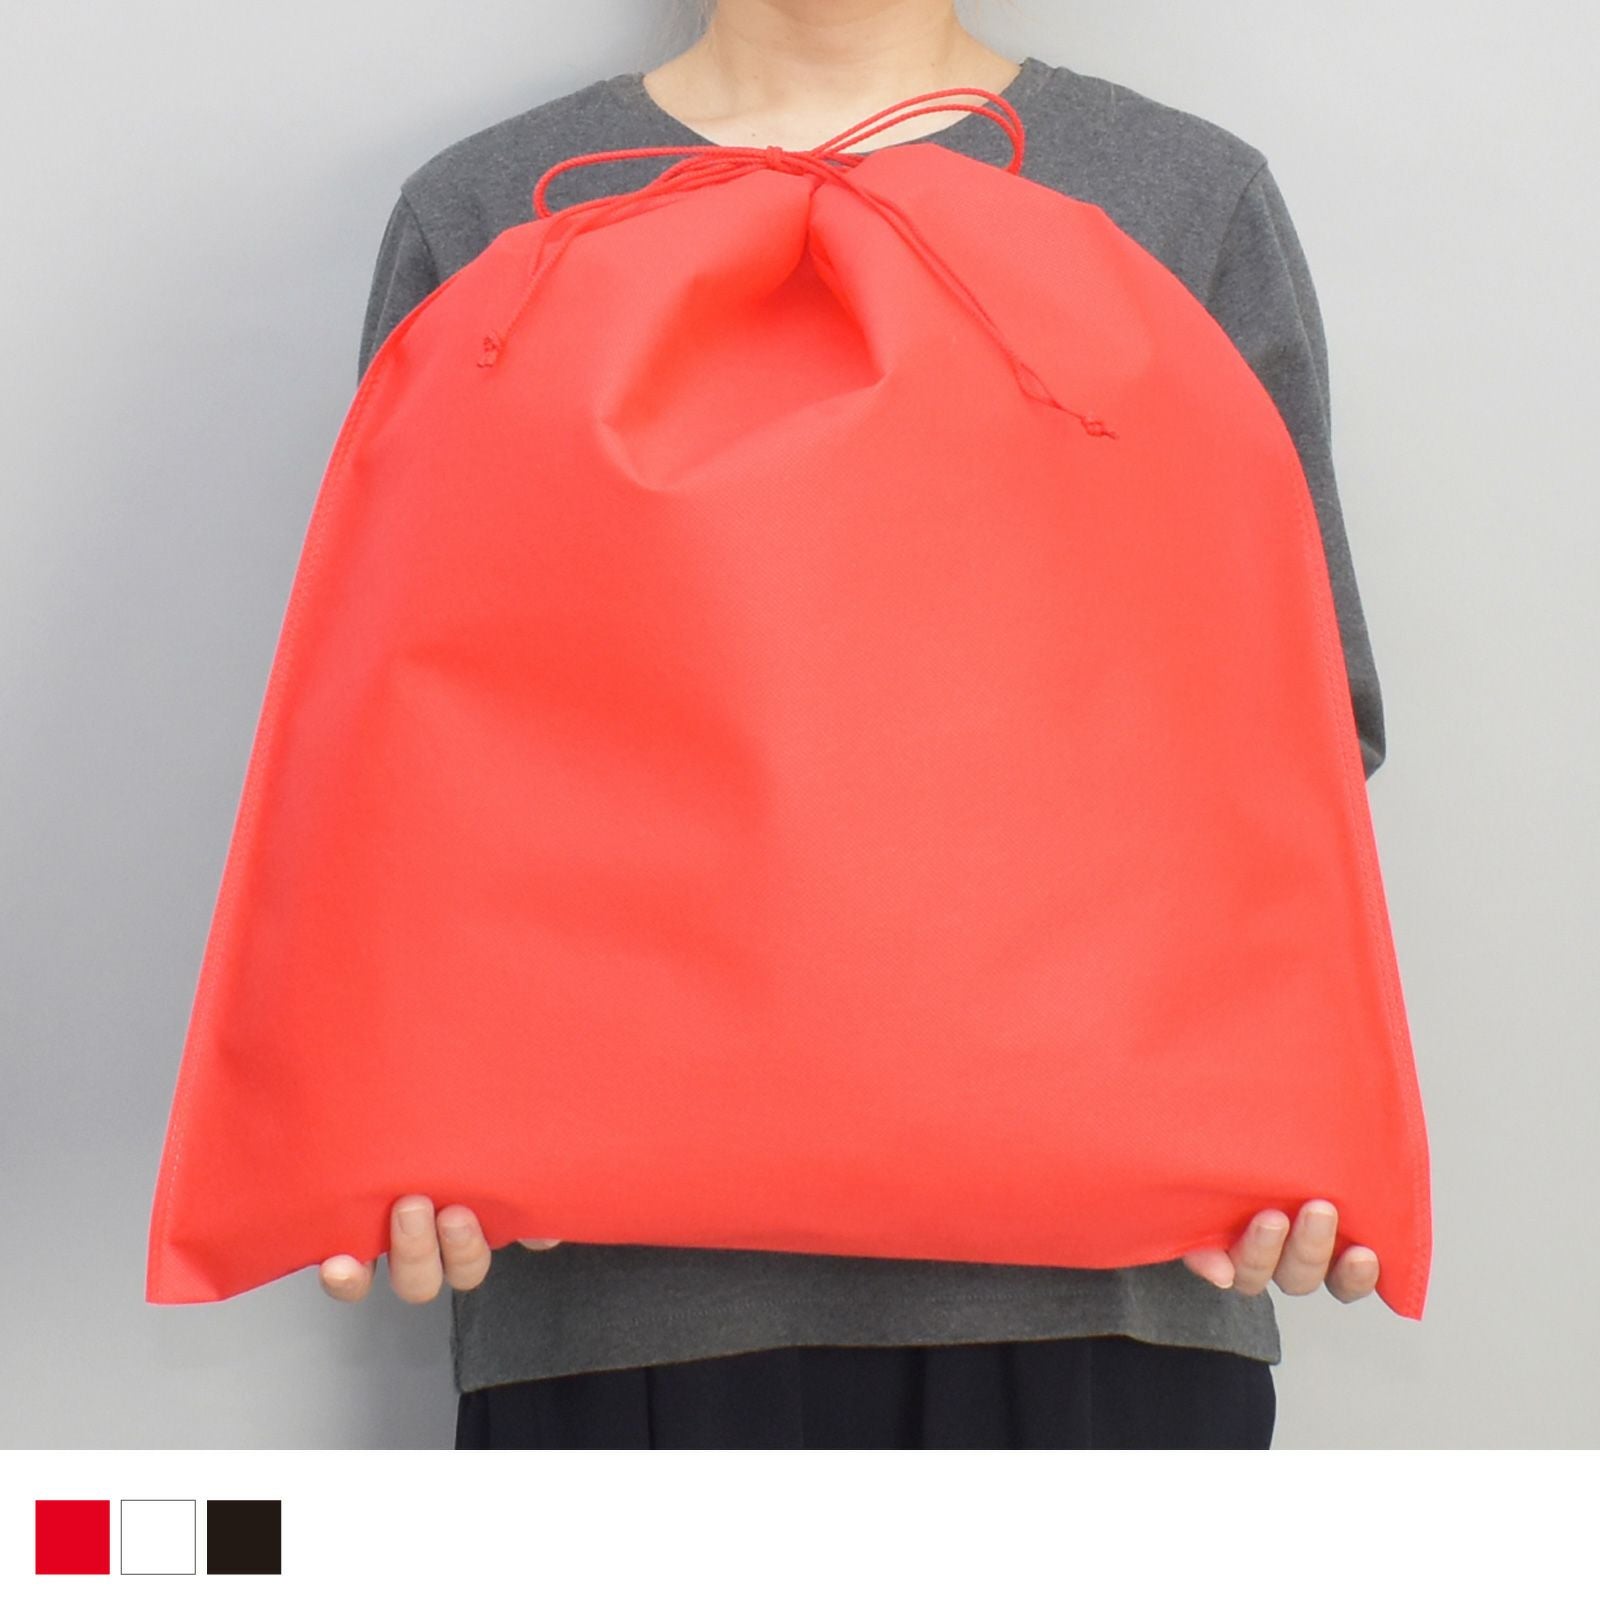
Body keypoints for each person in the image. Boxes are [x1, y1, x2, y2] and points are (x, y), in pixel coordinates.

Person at [319, 0, 1389, 1449]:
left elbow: (1296, 728)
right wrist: (395, 1115)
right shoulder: (494, 211)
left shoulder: (1182, 199)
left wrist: (1292, 1120)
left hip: (1113, 1299)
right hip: (612, 1308)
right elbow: (396, 753)